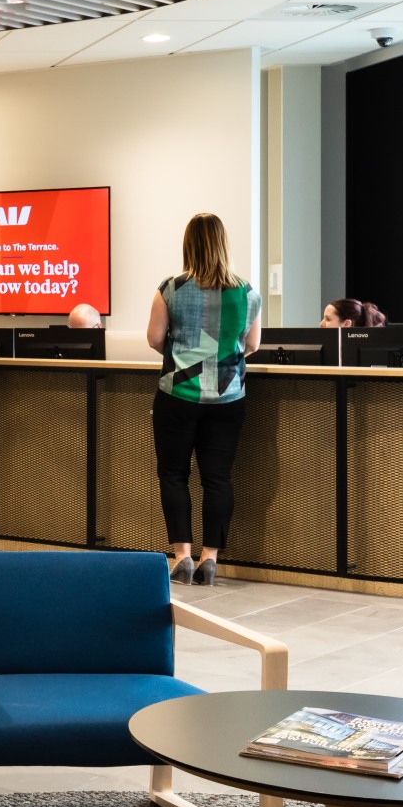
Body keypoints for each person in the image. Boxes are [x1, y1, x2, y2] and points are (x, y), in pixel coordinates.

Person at [144, 214, 261, 586]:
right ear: (224, 243)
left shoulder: (171, 288)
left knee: (174, 475)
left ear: (188, 244)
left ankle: (182, 555)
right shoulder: (248, 293)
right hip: (228, 398)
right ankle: (210, 557)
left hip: (178, 395)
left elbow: (154, 338)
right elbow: (252, 345)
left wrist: (184, 354)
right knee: (218, 478)